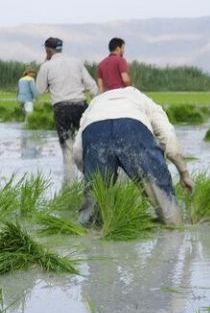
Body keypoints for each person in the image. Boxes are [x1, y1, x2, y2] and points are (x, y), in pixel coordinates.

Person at [73, 87, 193, 226]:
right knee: (168, 211)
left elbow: (77, 150)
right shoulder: (146, 102)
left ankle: (87, 232)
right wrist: (184, 174)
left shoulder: (94, 104)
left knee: (91, 214)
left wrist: (90, 174)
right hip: (133, 128)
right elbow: (170, 143)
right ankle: (175, 231)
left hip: (95, 130)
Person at [36, 36, 98, 186]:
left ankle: (70, 186)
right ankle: (93, 181)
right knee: (87, 145)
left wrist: (45, 65)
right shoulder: (76, 62)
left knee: (68, 149)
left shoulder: (47, 66)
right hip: (81, 107)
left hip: (61, 109)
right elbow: (92, 86)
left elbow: (39, 90)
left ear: (48, 50)